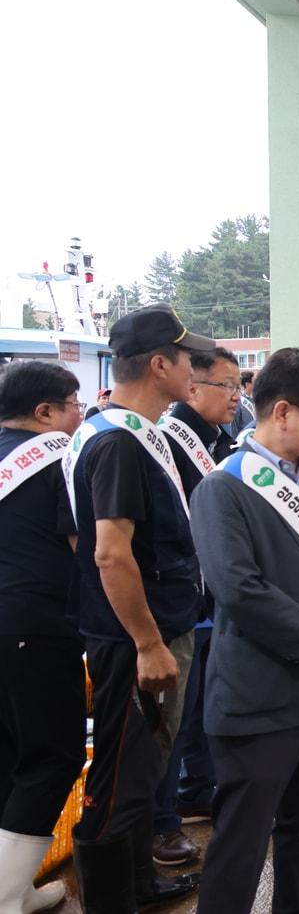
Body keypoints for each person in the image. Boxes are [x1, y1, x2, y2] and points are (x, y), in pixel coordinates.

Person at [188, 347, 299, 914]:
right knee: (241, 843)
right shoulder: (225, 488)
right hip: (258, 696)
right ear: (283, 412)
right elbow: (238, 588)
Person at [67, 305, 210, 909]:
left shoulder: (108, 432)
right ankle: (112, 900)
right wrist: (148, 642)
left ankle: (139, 883)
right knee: (120, 782)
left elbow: (78, 540)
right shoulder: (120, 443)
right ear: (159, 365)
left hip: (133, 628)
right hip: (136, 640)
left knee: (141, 772)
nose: (194, 369)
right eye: (186, 359)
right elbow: (107, 554)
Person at [152, 345, 242, 867]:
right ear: (193, 387)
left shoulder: (222, 440)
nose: (235, 396)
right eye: (225, 386)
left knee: (205, 703)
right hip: (181, 597)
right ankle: (161, 822)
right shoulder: (168, 440)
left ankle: (198, 788)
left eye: (238, 386)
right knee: (175, 715)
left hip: (213, 594)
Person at [0, 362, 84, 914]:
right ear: (45, 413)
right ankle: (8, 896)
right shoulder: (58, 460)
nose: (81, 415)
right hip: (38, 626)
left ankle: (15, 885)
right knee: (53, 756)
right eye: (73, 405)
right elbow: (86, 546)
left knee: (7, 753)